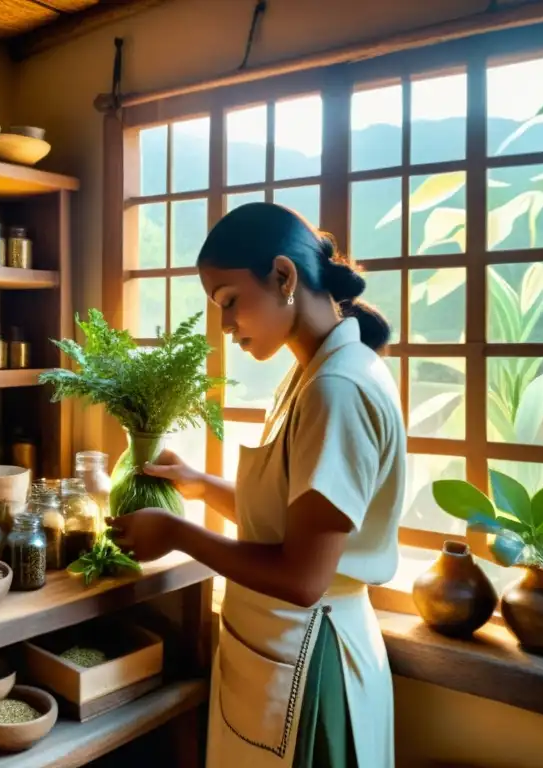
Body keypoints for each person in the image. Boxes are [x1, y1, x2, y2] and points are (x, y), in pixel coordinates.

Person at [107, 202, 405, 767]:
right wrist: (199, 485)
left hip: (313, 660)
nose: (224, 325)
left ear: (284, 277)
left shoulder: (336, 389)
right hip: (283, 652)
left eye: (230, 301)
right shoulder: (314, 371)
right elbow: (297, 519)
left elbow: (302, 576)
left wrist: (177, 533)